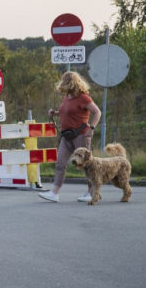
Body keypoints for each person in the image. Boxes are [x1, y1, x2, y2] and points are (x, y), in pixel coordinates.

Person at [38, 71, 101, 203]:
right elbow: (66, 112)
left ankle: (91, 192)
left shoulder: (84, 97)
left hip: (81, 135)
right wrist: (54, 113)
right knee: (60, 163)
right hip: (66, 136)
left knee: (87, 165)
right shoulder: (67, 96)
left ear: (72, 83)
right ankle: (54, 193)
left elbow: (97, 112)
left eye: (65, 83)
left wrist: (92, 128)